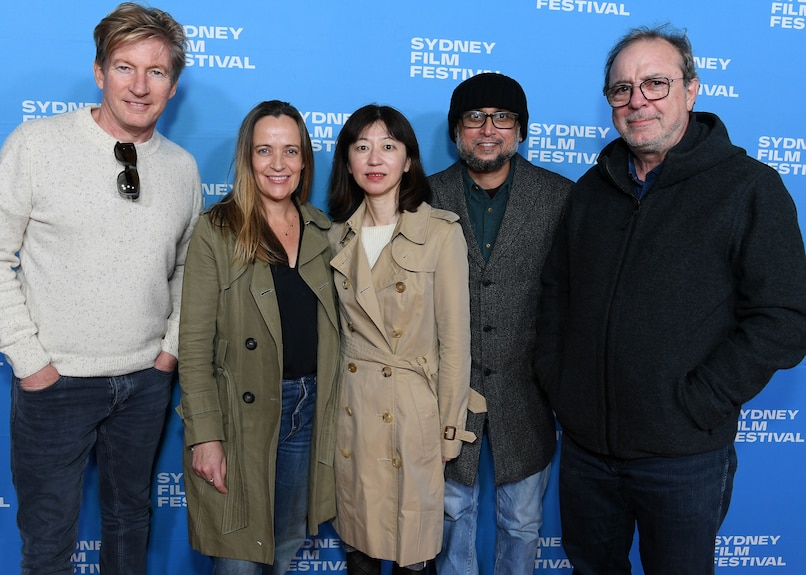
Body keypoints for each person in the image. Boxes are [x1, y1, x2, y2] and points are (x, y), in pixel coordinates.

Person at [534, 24, 806, 575]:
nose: (638, 101)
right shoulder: (591, 190)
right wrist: (563, 384)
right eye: (622, 89)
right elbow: (557, 296)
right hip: (587, 451)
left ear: (692, 89)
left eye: (655, 83)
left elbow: (785, 318)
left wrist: (699, 400)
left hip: (683, 455)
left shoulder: (749, 188)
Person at [0, 3, 201, 574]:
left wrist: (167, 352)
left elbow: (189, 271)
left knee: (130, 524)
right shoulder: (36, 144)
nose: (139, 87)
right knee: (48, 540)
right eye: (125, 68)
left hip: (145, 382)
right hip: (56, 383)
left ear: (173, 84)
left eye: (157, 72)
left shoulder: (183, 168)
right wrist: (33, 363)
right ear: (99, 72)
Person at [177, 100, 340, 575]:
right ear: (247, 157)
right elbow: (193, 345)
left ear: (305, 160)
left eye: (290, 151)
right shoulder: (217, 229)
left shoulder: (321, 229)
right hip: (239, 416)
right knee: (239, 562)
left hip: (305, 412)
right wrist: (205, 435)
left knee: (285, 544)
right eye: (265, 150)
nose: (278, 164)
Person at [428, 73, 572, 575]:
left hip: (529, 393)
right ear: (456, 130)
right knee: (450, 518)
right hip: (443, 394)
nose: (488, 129)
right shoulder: (421, 197)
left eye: (502, 117)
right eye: (474, 117)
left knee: (522, 523)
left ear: (520, 129)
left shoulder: (562, 197)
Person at [327, 104, 473, 575]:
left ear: (408, 160)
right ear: (347, 161)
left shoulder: (440, 233)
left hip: (414, 414)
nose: (375, 158)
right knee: (360, 551)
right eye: (362, 146)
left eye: (389, 146)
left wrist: (449, 429)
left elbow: (455, 343)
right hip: (354, 410)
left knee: (413, 555)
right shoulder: (336, 237)